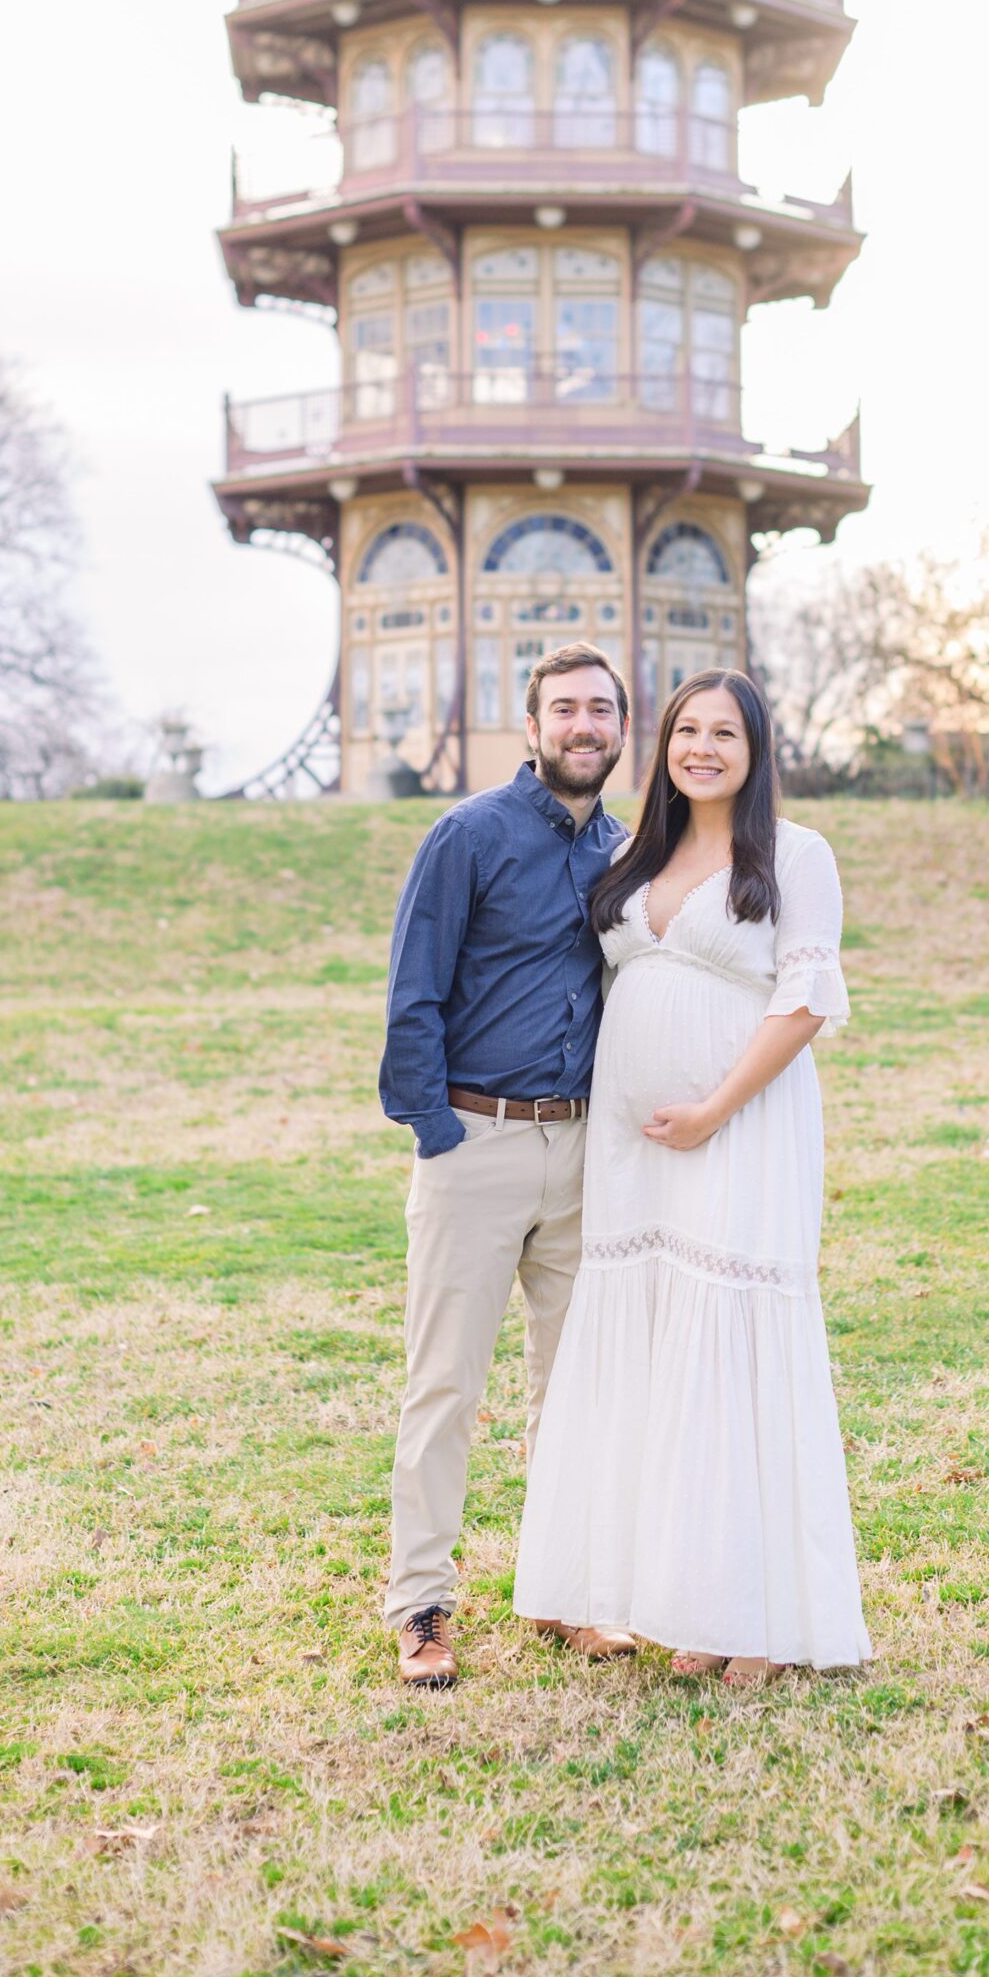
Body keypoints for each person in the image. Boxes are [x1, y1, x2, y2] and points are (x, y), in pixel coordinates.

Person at [513, 669, 871, 1683]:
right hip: (633, 1156)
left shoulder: (795, 856)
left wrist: (713, 1106)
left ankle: (755, 1620)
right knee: (661, 1353)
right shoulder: (641, 854)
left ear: (755, 751)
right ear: (661, 743)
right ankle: (685, 1606)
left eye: (724, 732)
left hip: (738, 1132)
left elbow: (804, 1003)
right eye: (684, 730)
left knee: (729, 1350)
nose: (701, 747)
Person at [378, 641, 639, 1688]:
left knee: (571, 1390)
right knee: (443, 1384)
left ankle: (563, 1591)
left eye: (601, 710)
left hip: (583, 1154)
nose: (583, 726)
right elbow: (413, 991)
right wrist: (436, 1131)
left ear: (622, 729)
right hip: (473, 1141)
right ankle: (421, 1606)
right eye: (563, 709)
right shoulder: (467, 836)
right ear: (530, 728)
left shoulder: (628, 852)